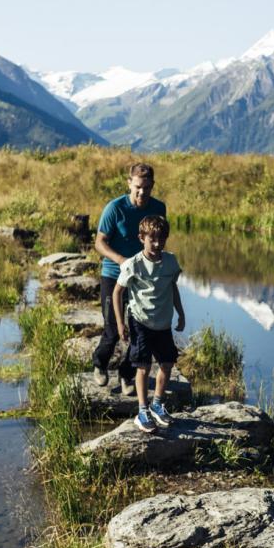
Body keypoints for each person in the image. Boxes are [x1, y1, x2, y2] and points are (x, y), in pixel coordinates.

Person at [94, 162, 166, 392]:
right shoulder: (114, 208)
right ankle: (100, 364)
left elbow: (158, 241)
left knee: (139, 329)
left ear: (152, 186)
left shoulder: (158, 208)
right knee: (113, 329)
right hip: (113, 275)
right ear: (129, 183)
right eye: (137, 187)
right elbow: (99, 242)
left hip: (142, 279)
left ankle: (126, 375)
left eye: (146, 187)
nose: (141, 192)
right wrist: (121, 260)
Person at [112, 214, 185, 433]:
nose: (157, 244)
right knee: (143, 366)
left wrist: (180, 313)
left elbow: (173, 288)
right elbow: (117, 292)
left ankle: (157, 404)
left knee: (167, 363)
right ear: (141, 238)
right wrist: (120, 323)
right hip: (140, 321)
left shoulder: (171, 261)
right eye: (152, 239)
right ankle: (142, 410)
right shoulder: (133, 264)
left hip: (162, 323)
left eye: (161, 239)